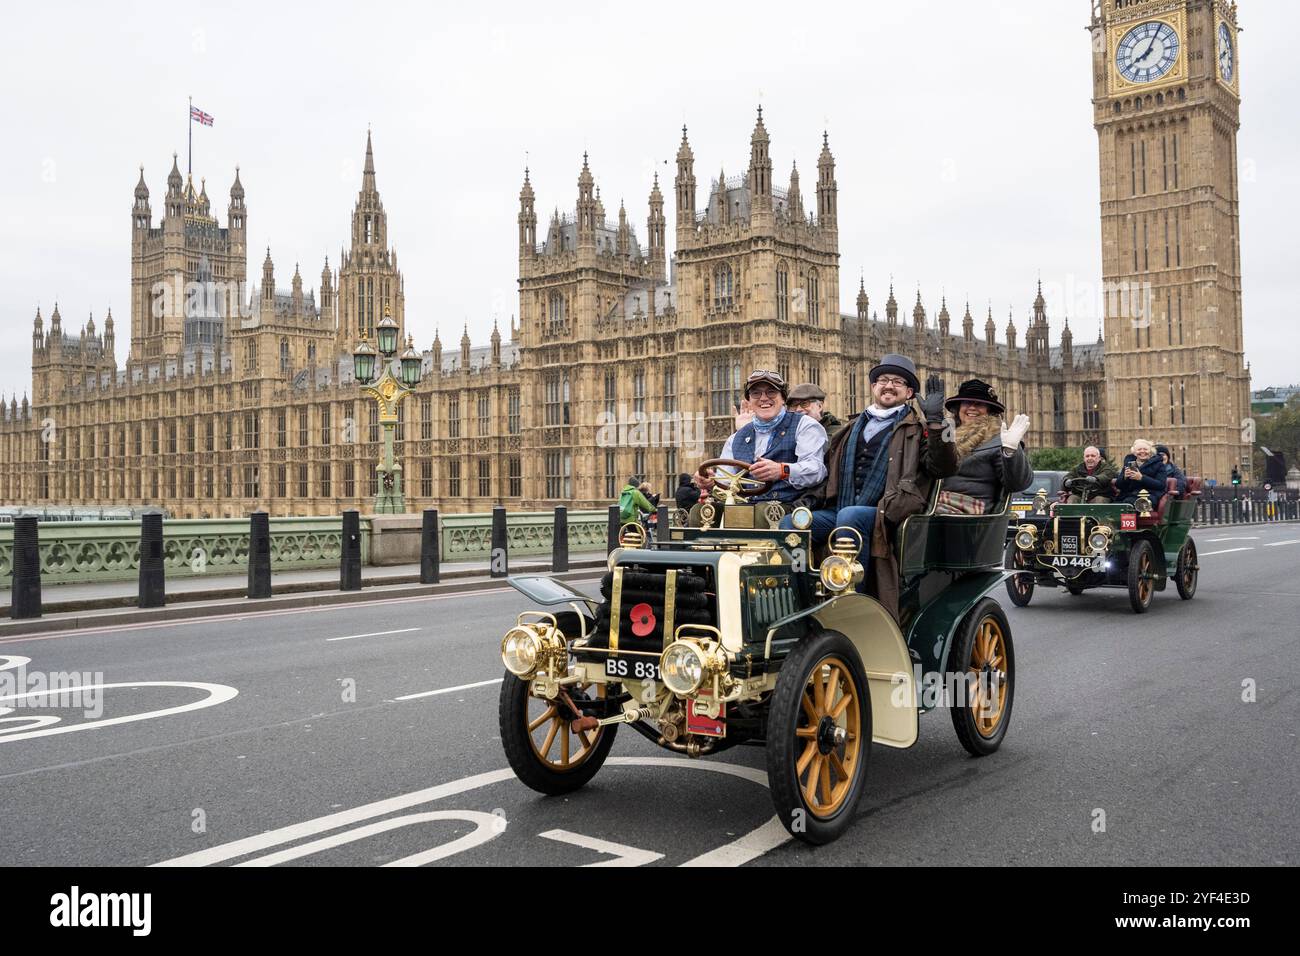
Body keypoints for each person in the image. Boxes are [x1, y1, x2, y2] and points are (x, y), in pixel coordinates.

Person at [783, 353, 956, 617]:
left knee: (850, 516)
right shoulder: (851, 427)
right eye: (883, 380)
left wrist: (936, 422)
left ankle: (853, 602)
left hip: (888, 512)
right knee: (790, 524)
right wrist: (807, 501)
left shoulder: (918, 429)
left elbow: (944, 466)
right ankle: (798, 597)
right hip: (841, 510)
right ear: (873, 387)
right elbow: (830, 474)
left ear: (909, 392)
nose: (889, 385)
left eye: (897, 382)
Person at [698, 369, 827, 505]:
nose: (764, 398)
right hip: (745, 508)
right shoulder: (735, 438)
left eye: (771, 392)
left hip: (790, 508)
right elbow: (724, 482)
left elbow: (816, 471)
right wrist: (710, 481)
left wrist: (782, 470)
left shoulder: (804, 425)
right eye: (756, 393)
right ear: (749, 401)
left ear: (783, 398)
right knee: (698, 515)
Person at [933, 380, 1033, 514]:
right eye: (967, 402)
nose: (972, 408)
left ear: (989, 411)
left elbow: (1018, 483)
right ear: (959, 408)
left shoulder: (999, 440)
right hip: (936, 501)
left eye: (979, 404)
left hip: (968, 510)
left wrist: (1010, 450)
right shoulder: (947, 435)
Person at [1115, 439, 1171, 508]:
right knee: (1114, 508)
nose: (1142, 451)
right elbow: (1118, 485)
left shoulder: (1159, 465)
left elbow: (1161, 485)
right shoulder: (1129, 464)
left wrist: (1142, 478)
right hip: (1127, 495)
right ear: (1134, 452)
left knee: (1129, 505)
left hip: (1148, 495)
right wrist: (1125, 478)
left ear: (1150, 452)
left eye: (1145, 449)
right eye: (1139, 449)